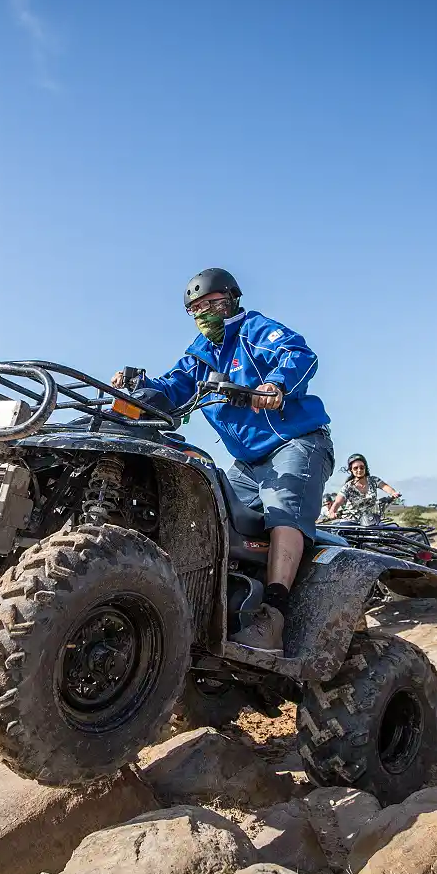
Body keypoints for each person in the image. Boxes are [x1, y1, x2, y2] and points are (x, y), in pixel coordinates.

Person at [112, 267, 334, 654]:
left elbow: (299, 354)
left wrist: (274, 385)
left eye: (212, 303)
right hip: (247, 463)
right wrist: (136, 388)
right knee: (215, 519)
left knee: (283, 510)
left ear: (232, 299)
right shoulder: (199, 355)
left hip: (294, 442)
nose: (205, 313)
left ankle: (273, 616)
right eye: (196, 308)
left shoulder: (255, 330)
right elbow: (172, 387)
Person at [325, 454, 401, 525]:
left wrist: (393, 493)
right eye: (355, 468)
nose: (359, 470)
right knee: (342, 536)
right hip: (351, 521)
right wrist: (332, 512)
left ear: (365, 468)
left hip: (370, 520)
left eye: (362, 467)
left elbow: (385, 487)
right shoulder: (348, 486)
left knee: (387, 532)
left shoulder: (373, 480)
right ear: (351, 470)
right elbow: (338, 502)